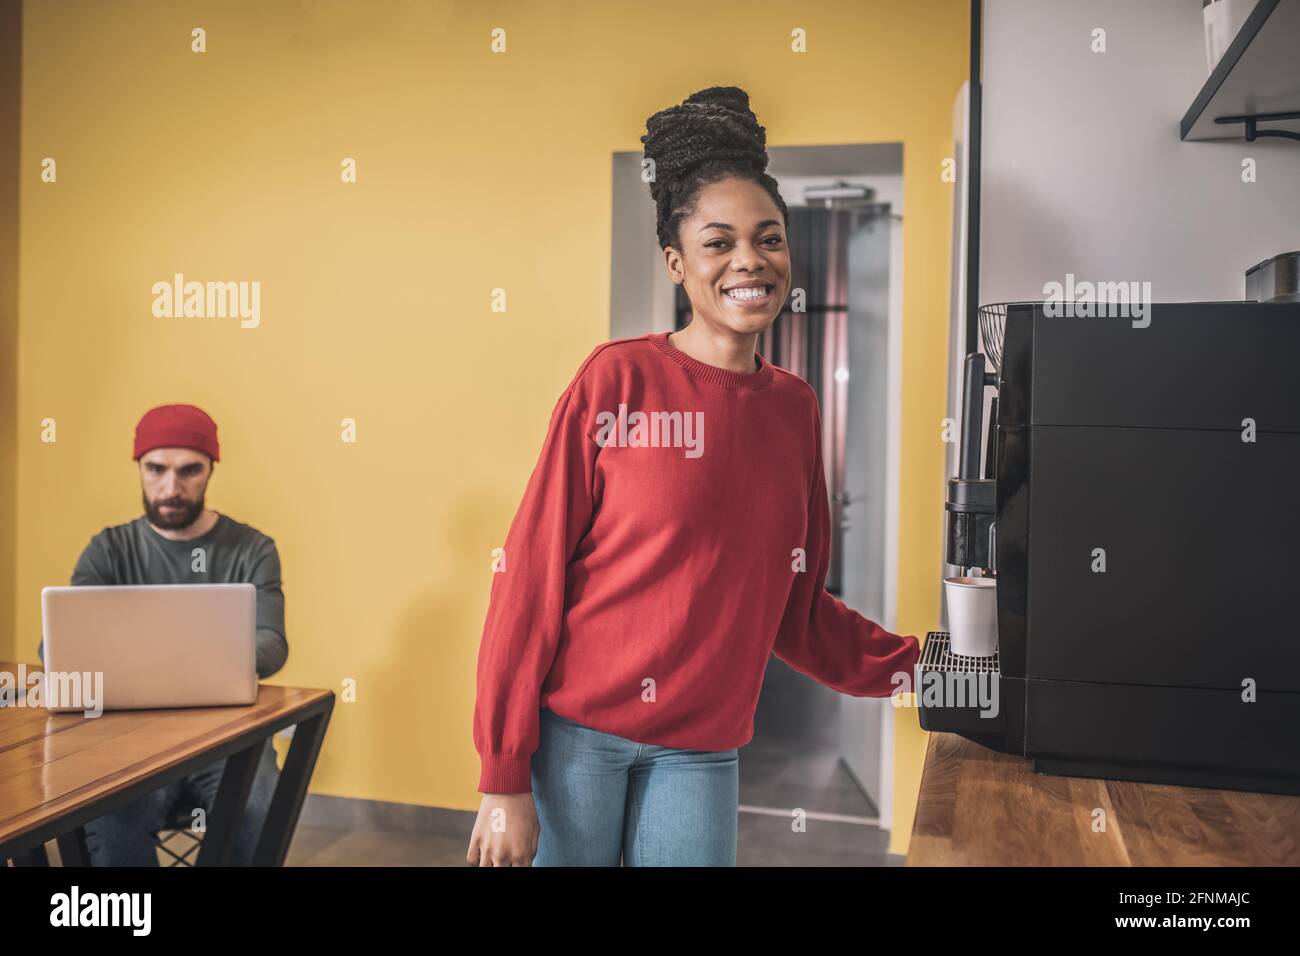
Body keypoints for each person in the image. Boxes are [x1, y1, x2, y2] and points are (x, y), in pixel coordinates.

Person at [466, 86, 920, 867]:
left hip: (701, 750)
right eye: (719, 243)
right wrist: (504, 775)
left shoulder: (794, 409)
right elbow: (530, 576)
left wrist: (933, 668)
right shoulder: (617, 382)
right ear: (678, 264)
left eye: (769, 238)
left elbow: (797, 608)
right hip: (579, 739)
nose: (750, 259)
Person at [38, 403, 288, 866]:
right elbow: (57, 647)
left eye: (189, 470)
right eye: (156, 469)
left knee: (259, 807)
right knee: (116, 824)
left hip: (228, 736)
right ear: (139, 467)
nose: (171, 487)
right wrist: (198, 654)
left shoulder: (252, 549)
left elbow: (271, 645)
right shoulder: (108, 550)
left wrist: (146, 655)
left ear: (211, 468)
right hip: (122, 743)